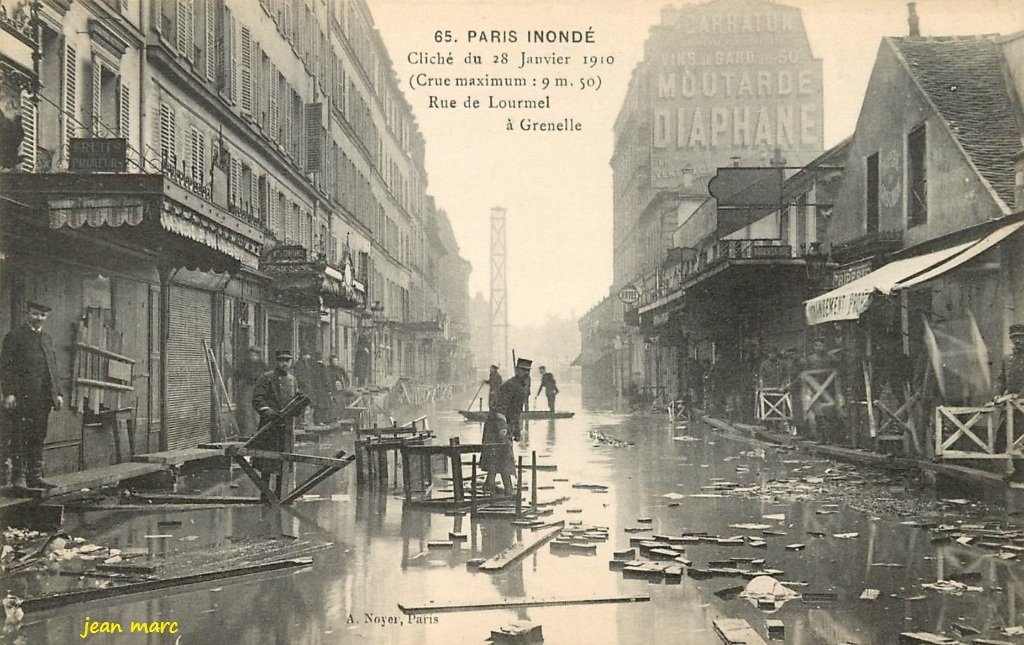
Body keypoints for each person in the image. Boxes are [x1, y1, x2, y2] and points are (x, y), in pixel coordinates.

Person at [1, 301, 64, 489]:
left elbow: (52, 368)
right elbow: (6, 368)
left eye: (43, 315)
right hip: (23, 397)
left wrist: (58, 393)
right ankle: (19, 478)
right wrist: (10, 393)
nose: (39, 318)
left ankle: (35, 476)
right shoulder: (15, 337)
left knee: (38, 435)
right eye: (35, 314)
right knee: (20, 435)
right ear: (27, 313)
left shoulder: (47, 338)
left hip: (43, 399)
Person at [251, 350, 302, 497]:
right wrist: (269, 413)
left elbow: (295, 401)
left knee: (284, 462)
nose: (284, 363)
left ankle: (279, 494)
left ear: (291, 362)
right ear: (276, 361)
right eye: (281, 360)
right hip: (270, 427)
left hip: (286, 428)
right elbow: (257, 400)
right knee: (267, 462)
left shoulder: (292, 380)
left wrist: (298, 408)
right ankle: (265, 495)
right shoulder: (266, 378)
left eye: (287, 360)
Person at [482, 357, 531, 495]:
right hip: (496, 425)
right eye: (522, 370)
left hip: (506, 424)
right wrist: (503, 428)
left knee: (497, 456)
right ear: (517, 370)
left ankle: (489, 484)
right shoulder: (510, 385)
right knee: (504, 455)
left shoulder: (522, 387)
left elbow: (516, 411)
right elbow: (499, 409)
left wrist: (517, 430)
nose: (525, 373)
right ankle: (509, 490)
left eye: (527, 371)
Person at [233, 347, 267, 437]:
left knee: (257, 411)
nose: (252, 357)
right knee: (246, 411)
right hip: (246, 389)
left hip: (258, 390)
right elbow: (236, 375)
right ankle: (246, 433)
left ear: (258, 356)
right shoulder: (244, 365)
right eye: (251, 355)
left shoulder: (262, 365)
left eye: (254, 355)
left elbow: (266, 377)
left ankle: (258, 432)